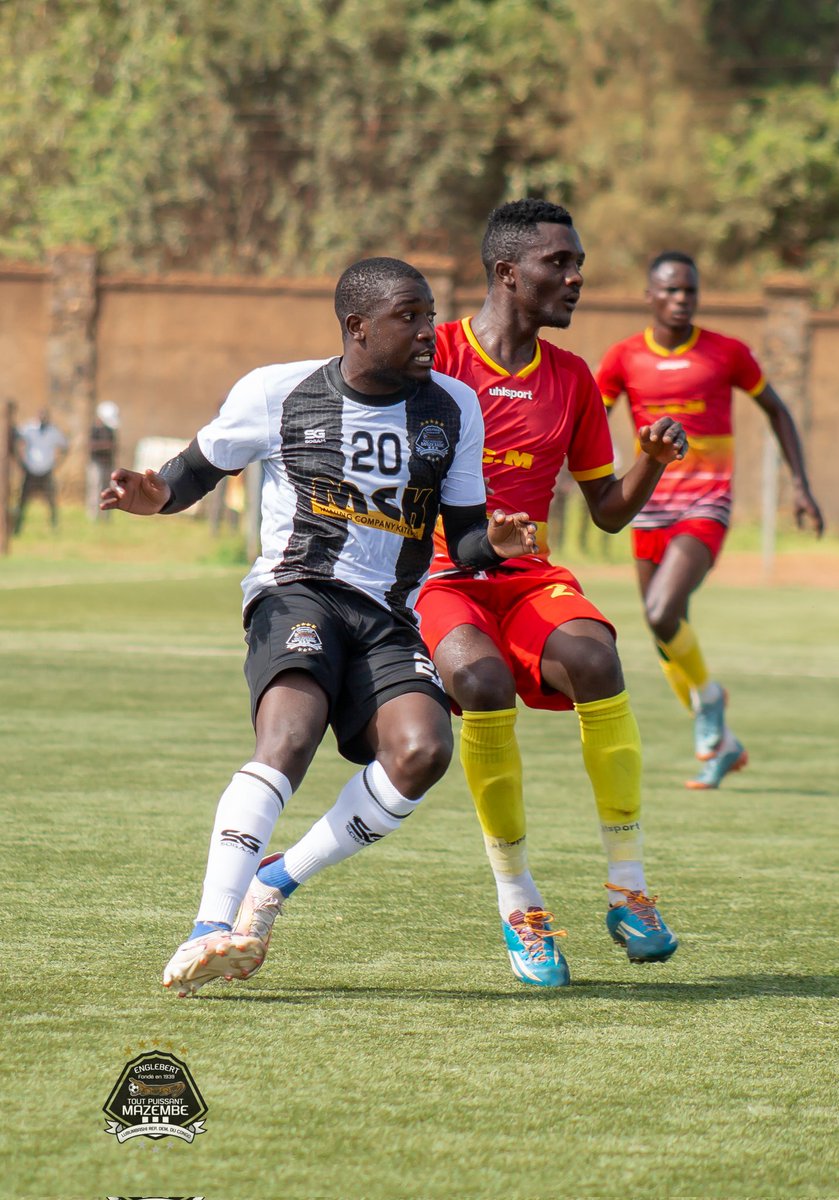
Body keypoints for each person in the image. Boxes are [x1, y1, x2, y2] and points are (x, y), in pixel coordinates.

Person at [252, 199, 686, 990]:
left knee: (596, 656)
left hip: (527, 576)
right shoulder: (431, 352)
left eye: (578, 262)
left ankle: (629, 888)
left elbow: (609, 513)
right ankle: (520, 902)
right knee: (481, 682)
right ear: (507, 273)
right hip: (436, 574)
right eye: (561, 263)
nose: (578, 277)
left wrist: (651, 460)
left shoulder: (574, 379)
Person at [101, 257, 538, 998]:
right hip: (296, 593)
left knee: (424, 751)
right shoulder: (277, 392)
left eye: (431, 313)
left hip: (390, 616)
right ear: (357, 326)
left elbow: (462, 539)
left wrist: (492, 544)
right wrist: (155, 496)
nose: (430, 330)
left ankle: (277, 879)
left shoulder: (454, 408)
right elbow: (193, 471)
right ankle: (210, 927)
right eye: (410, 315)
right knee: (290, 737)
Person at [596, 250, 824, 790]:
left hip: (706, 503)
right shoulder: (624, 358)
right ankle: (722, 746)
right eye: (671, 290)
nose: (681, 299)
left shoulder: (727, 353)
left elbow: (777, 409)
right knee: (666, 635)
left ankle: (712, 703)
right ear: (650, 296)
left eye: (690, 291)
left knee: (659, 613)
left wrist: (801, 485)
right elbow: (590, 420)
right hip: (647, 507)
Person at [13, 410, 68, 533]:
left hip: (46, 470)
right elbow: (16, 440)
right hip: (30, 470)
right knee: (22, 501)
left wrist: (57, 463)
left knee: (51, 502)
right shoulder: (28, 429)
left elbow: (65, 446)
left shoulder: (53, 431)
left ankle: (54, 527)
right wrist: (20, 462)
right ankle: (17, 527)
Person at [86, 401, 119, 521]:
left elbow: (114, 445)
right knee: (95, 489)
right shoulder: (95, 429)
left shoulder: (111, 430)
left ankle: (106, 516)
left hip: (108, 463)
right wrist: (105, 446)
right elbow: (90, 445)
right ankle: (93, 516)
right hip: (96, 464)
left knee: (108, 490)